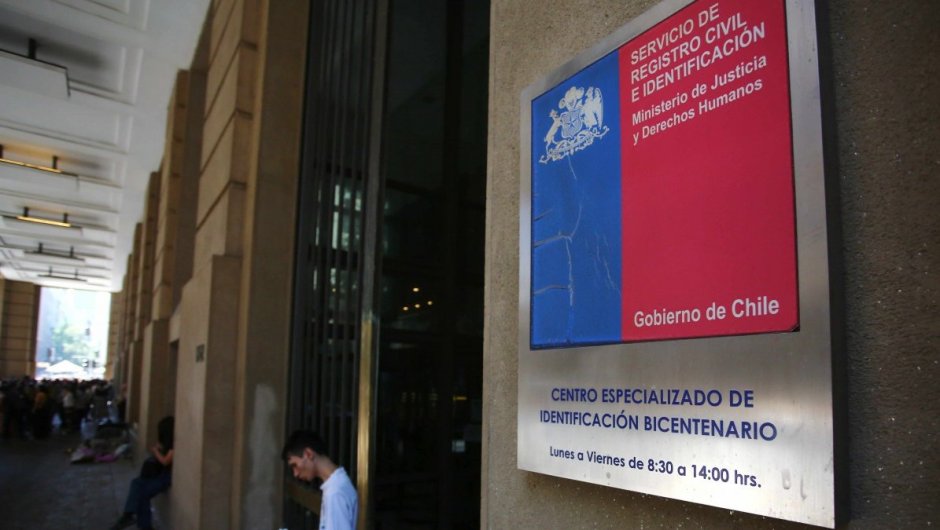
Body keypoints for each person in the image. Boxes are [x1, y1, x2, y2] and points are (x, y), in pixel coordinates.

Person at [282, 430, 358, 530]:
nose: (295, 474)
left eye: (294, 465)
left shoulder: (335, 492)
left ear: (308, 454)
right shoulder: (336, 484)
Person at [110, 416, 174, 530]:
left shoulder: (173, 446)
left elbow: (165, 462)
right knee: (136, 483)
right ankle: (128, 514)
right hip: (159, 474)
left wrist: (156, 451)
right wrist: (159, 448)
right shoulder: (167, 443)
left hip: (165, 477)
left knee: (143, 494)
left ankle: (141, 524)